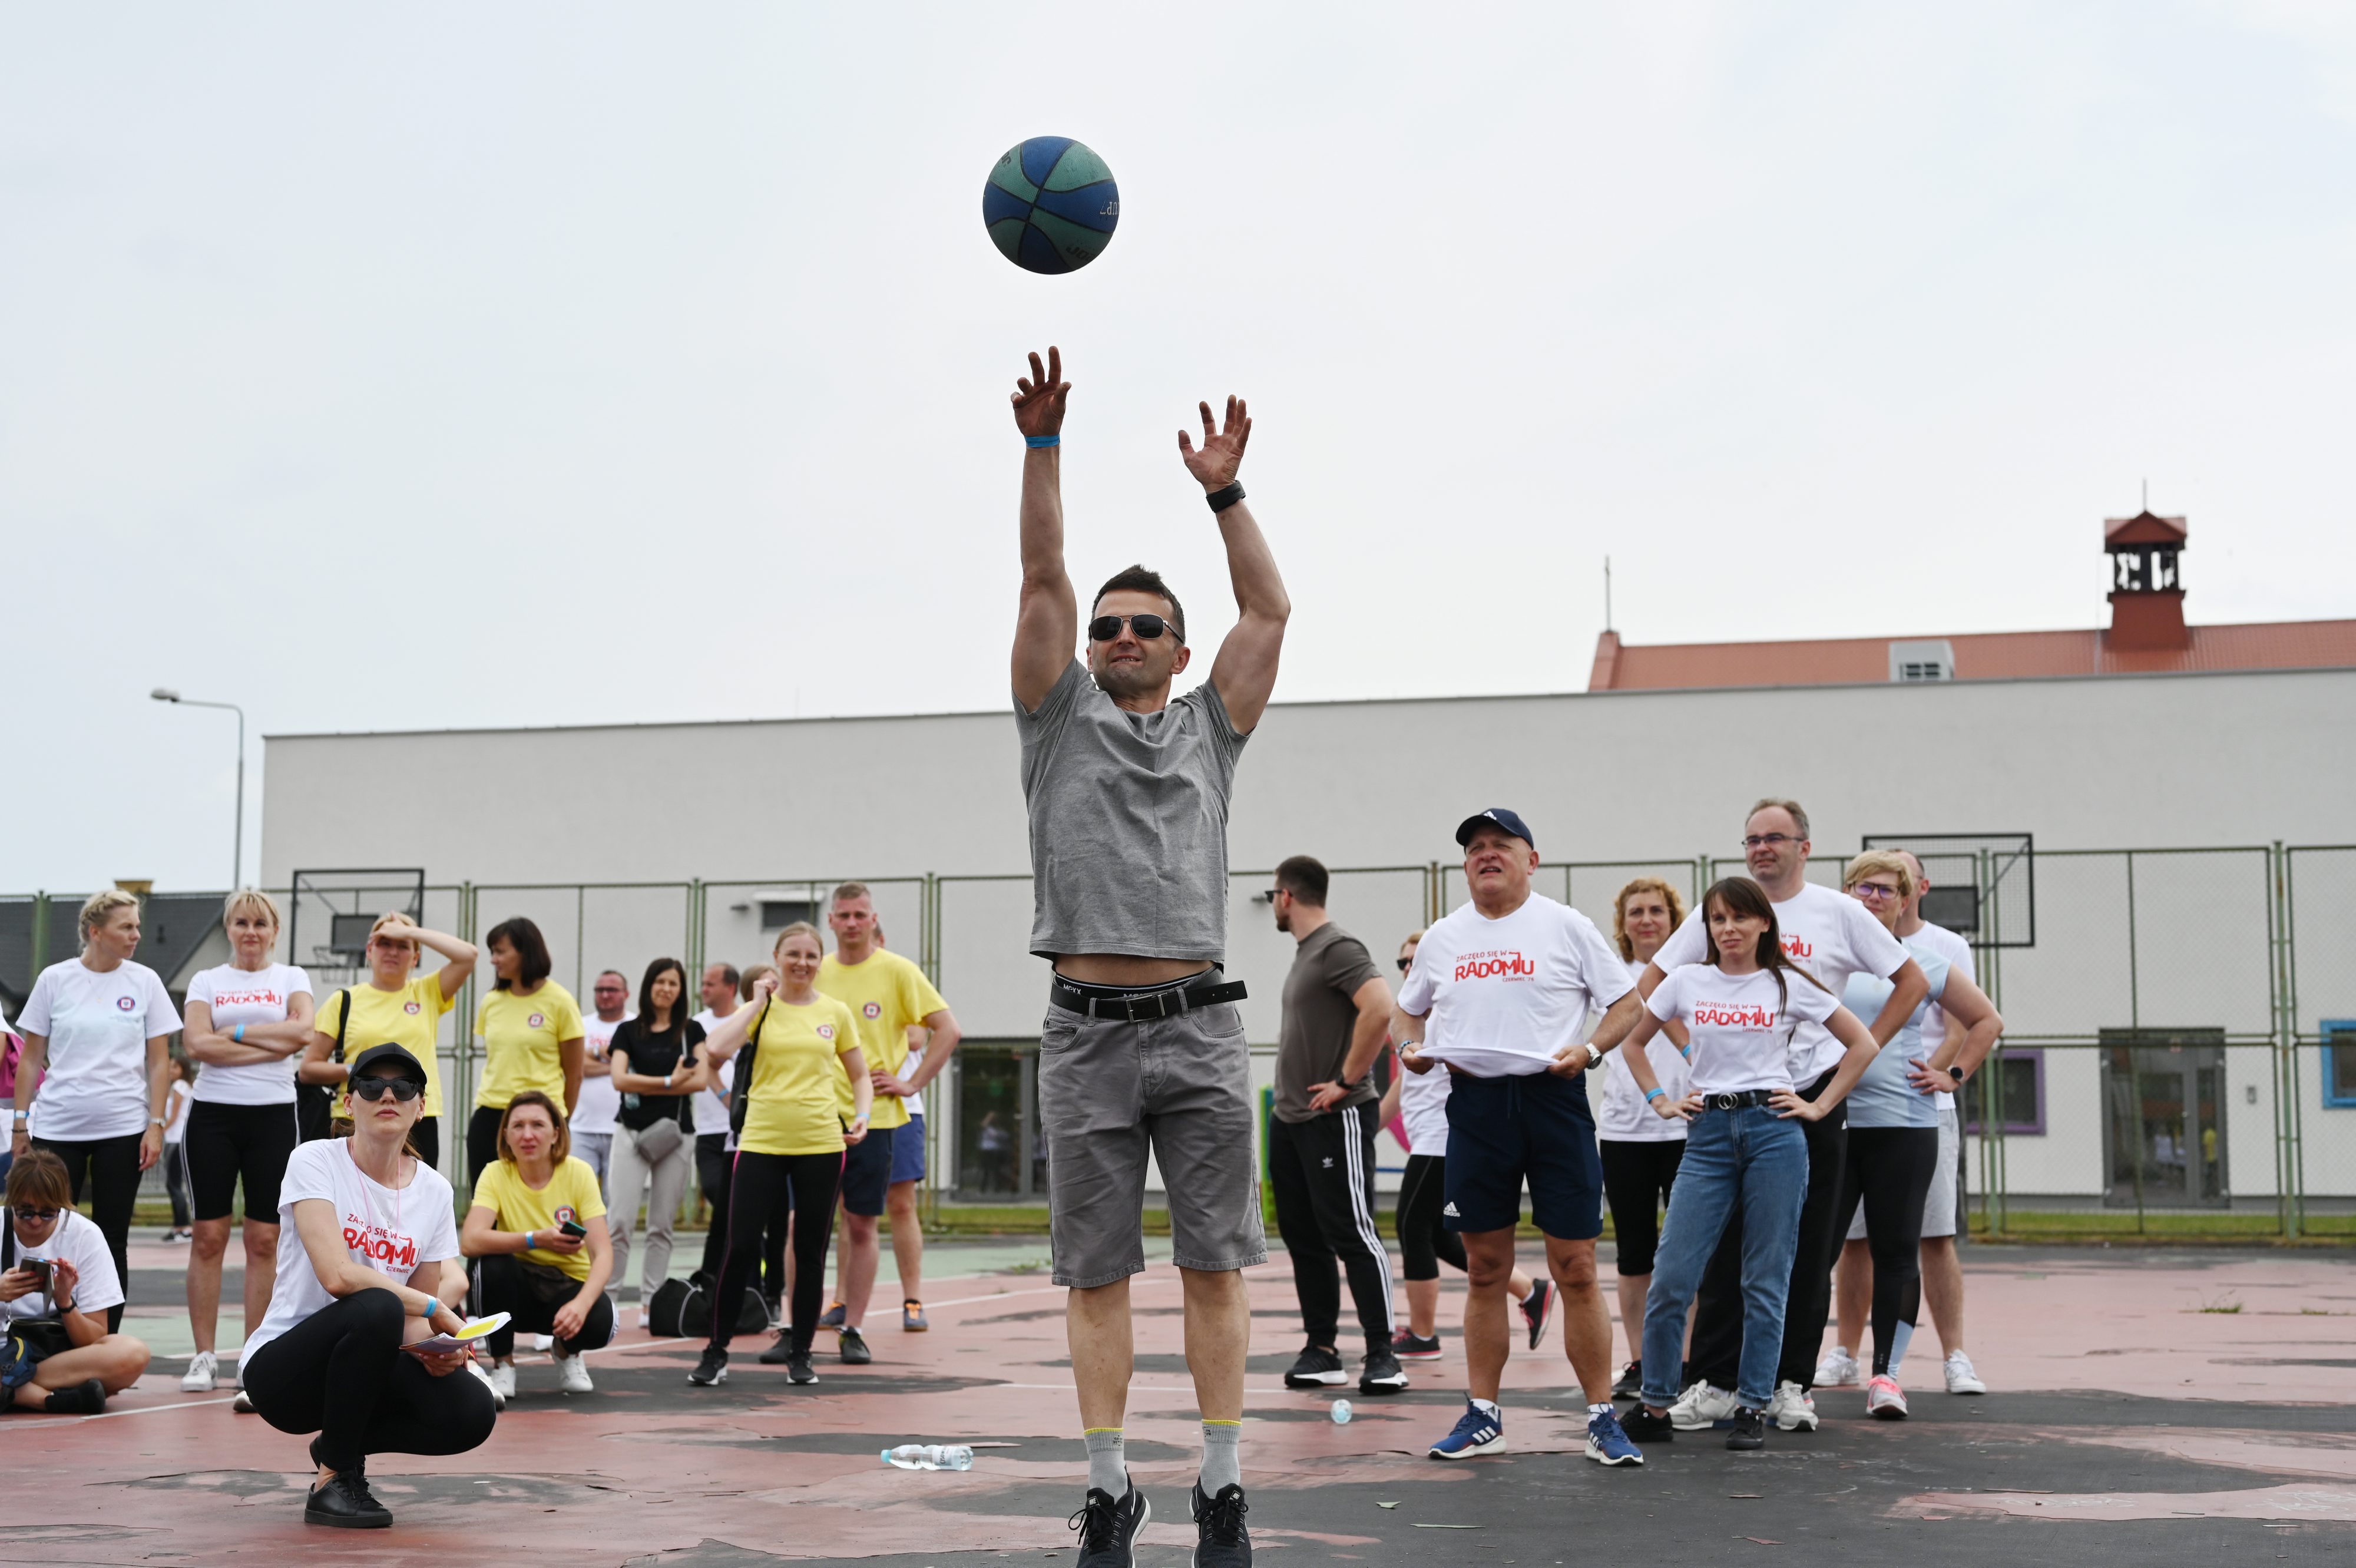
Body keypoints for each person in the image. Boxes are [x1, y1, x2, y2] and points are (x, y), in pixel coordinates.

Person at [1010, 344, 1288, 1567]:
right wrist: (1043, 446)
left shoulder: (1210, 728)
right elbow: (1042, 574)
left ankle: (1221, 1485)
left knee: (1215, 1265)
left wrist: (1224, 494)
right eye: (1109, 625)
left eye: (1147, 626)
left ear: (1179, 651)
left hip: (1199, 1026)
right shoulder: (1055, 717)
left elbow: (1268, 612)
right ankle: (1110, 1487)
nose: (1121, 633)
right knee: (1097, 1274)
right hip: (1084, 1032)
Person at [1635, 799, 1927, 1435]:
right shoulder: (1723, 911)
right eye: (1751, 839)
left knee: (1805, 1248)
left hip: (1805, 1095)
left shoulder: (1839, 912)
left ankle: (1788, 1383)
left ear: (1804, 846)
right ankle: (1715, 1381)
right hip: (1726, 1105)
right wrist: (1689, 1052)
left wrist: (1845, 1065)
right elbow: (1653, 985)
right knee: (1719, 1252)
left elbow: (1911, 981)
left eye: (1774, 837)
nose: (1761, 848)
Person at [1394, 810, 1646, 1468]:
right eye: (1475, 848)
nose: (1486, 855)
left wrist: (1589, 1050)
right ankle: (1484, 1416)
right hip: (1476, 1108)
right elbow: (1407, 1010)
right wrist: (1408, 1050)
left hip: (1553, 1101)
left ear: (1531, 860)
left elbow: (1627, 1005)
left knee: (1577, 1267)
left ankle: (1601, 1419)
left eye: (1500, 845)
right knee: (1484, 1269)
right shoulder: (1443, 937)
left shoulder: (1566, 925)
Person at [1615, 878, 1882, 1452]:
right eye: (1718, 919)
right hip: (1708, 1134)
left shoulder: (1789, 983)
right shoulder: (1686, 980)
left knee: (1765, 1277)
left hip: (1774, 1133)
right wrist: (1660, 1099)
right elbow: (1633, 1041)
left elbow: (1862, 1044)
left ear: (1764, 923)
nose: (1728, 928)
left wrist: (1818, 1106)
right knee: (1672, 1276)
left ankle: (1752, 1406)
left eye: (1739, 917)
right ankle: (1656, 1404)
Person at [240, 1044, 496, 1530]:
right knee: (376, 1305)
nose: (388, 1095)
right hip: (284, 1372)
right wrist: (436, 1307)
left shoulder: (436, 1192)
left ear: (420, 1107)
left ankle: (337, 1444)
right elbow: (338, 1276)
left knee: (472, 1410)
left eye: (403, 1087)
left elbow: (412, 1323)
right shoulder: (314, 1160)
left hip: (365, 1366)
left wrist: (436, 1351)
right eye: (372, 1085)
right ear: (349, 1102)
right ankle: (333, 1482)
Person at [1812, 852, 2002, 1418]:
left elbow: (1986, 1021)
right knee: (1818, 1251)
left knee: (1900, 1251)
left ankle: (1886, 1378)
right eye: (1862, 888)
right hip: (1834, 1120)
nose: (1873, 899)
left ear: (1905, 900)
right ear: (1846, 894)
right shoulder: (1826, 959)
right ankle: (1793, 1377)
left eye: (1885, 890)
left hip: (1904, 1125)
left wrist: (1953, 1075)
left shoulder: (1926, 961)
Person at [689, 925, 869, 1387]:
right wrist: (756, 1002)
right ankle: (716, 1351)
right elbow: (715, 1050)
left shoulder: (836, 1012)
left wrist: (863, 1115)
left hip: (821, 1144)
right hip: (761, 1141)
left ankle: (801, 1353)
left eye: (811, 955)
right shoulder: (760, 1009)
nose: (802, 963)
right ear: (777, 957)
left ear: (820, 961)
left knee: (809, 1252)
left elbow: (859, 1075)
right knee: (741, 1246)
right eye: (793, 954)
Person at [9, 889, 181, 1334]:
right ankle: (36, 1335)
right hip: (58, 1127)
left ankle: (106, 1342)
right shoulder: (55, 979)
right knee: (43, 1229)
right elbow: (31, 1058)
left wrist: (156, 1124)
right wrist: (20, 1125)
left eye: (137, 926)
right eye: (127, 927)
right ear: (96, 932)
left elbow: (159, 1061)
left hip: (123, 1129)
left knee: (111, 1237)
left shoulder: (145, 982)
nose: (136, 935)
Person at [1263, 856, 1404, 1396]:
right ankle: (1321, 1349)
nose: (1274, 905)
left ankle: (1382, 1353)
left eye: (1274, 896)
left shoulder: (1336, 947)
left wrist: (1347, 1081)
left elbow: (1380, 1007)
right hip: (1291, 1119)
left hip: (1333, 1117)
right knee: (1303, 1236)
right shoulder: (1308, 953)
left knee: (1352, 1232)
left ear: (1286, 896)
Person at [1376, 929, 1547, 1364]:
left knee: (1411, 1226)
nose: (1409, 968)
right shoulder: (1414, 1020)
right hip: (1428, 1139)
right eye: (1403, 962)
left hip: (1442, 1137)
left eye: (1416, 960)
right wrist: (1370, 1127)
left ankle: (1423, 1335)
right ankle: (1532, 1290)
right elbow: (1403, 1082)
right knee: (1437, 1235)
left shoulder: (1447, 1014)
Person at [815, 882, 961, 1361]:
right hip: (820, 1116)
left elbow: (939, 1031)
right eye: (844, 915)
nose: (852, 923)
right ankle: (834, 1303)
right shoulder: (817, 972)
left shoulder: (898, 971)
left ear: (873, 920)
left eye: (861, 915)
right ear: (831, 921)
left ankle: (910, 1299)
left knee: (896, 1205)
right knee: (832, 1214)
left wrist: (911, 1083)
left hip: (887, 1114)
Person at [177, 889, 315, 1398]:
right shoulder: (207, 980)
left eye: (260, 923)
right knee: (208, 1237)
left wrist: (231, 1035)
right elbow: (196, 1044)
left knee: (263, 1239)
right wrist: (268, 1039)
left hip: (273, 1115)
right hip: (212, 1115)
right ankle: (204, 1356)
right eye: (241, 923)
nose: (251, 932)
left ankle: (253, 1357)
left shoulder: (291, 978)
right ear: (229, 929)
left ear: (275, 931)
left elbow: (304, 1033)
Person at [1596, 878, 1691, 1401]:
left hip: (1687, 1129)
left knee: (1688, 1255)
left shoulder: (1694, 973)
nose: (1647, 919)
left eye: (1657, 910)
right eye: (1637, 912)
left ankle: (1686, 1362)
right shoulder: (1611, 977)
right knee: (1634, 1254)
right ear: (1624, 922)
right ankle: (1639, 1362)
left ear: (1673, 920)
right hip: (1624, 1132)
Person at [462, 1089, 615, 1397]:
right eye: (518, 1126)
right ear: (506, 1135)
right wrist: (536, 1239)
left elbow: (603, 1253)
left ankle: (566, 1351)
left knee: (602, 1320)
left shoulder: (579, 1173)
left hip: (564, 1286)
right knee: (491, 1264)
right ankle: (503, 1364)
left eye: (538, 1125)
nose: (528, 1135)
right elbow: (470, 1240)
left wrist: (581, 1305)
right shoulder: (495, 1173)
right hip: (515, 1290)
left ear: (556, 1133)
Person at [304, 912, 478, 1175]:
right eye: (384, 942)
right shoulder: (344, 1000)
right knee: (353, 1198)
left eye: (402, 945)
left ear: (416, 957)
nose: (393, 951)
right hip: (356, 1117)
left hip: (415, 1117)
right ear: (369, 950)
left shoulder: (427, 992)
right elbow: (309, 1068)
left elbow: (468, 956)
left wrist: (410, 931)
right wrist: (357, 1071)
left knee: (413, 1197)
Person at [1, 1149, 152, 1414]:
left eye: (48, 1213)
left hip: (57, 1358)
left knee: (132, 1353)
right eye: (25, 1212)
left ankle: (11, 1388)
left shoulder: (85, 1235)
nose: (35, 1221)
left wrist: (65, 1302)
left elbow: (94, 1338)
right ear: (10, 1201)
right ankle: (48, 1399)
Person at [606, 958, 704, 1331]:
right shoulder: (628, 1031)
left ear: (681, 990)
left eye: (673, 983)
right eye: (660, 982)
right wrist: (669, 1082)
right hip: (630, 1132)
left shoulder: (691, 1031)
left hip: (676, 1136)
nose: (666, 989)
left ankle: (652, 1302)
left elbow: (700, 1080)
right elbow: (619, 1080)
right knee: (619, 1221)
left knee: (662, 1224)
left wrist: (647, 1083)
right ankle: (609, 1300)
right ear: (648, 986)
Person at [467, 918, 585, 1185]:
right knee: (487, 1200)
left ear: (525, 952)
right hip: (490, 1114)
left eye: (500, 952)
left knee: (540, 1198)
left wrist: (558, 1120)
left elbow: (575, 1075)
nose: (493, 960)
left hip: (541, 1114)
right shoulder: (491, 1002)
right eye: (492, 952)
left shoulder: (561, 1001)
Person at [689, 961, 743, 1282]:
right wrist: (723, 1094)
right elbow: (698, 1066)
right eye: (703, 984)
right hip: (708, 1129)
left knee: (738, 1204)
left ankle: (746, 1266)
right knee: (716, 1192)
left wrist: (734, 1102)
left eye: (711, 984)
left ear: (730, 988)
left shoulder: (745, 1020)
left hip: (740, 1131)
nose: (704, 990)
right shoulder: (697, 1024)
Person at [573, 970, 632, 1187]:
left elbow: (639, 1066)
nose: (605, 995)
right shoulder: (581, 1025)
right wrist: (616, 1066)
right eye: (600, 990)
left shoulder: (636, 1026)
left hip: (624, 1127)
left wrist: (590, 1055)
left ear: (626, 994)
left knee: (614, 1195)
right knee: (578, 1191)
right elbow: (574, 1065)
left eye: (612, 990)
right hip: (581, 1128)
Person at [161, 1059, 196, 1239]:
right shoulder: (186, 1086)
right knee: (174, 1184)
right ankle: (179, 1227)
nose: (170, 1070)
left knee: (173, 1184)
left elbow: (174, 1116)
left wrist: (158, 1132)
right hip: (178, 1138)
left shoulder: (180, 1086)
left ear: (183, 1069)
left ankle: (184, 1227)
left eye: (175, 1067)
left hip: (176, 1139)